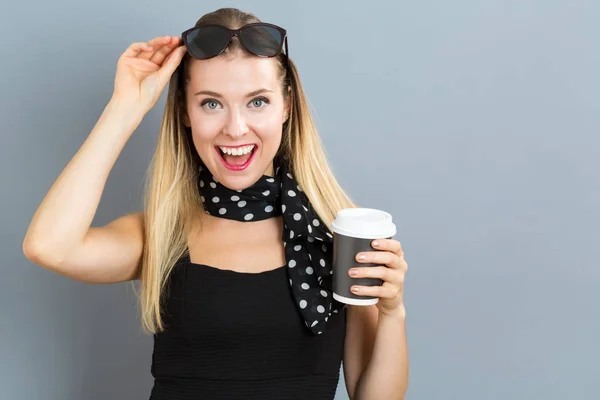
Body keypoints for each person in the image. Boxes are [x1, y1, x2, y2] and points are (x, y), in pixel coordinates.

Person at [23, 7, 409, 400]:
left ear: (287, 107)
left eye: (257, 102)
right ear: (185, 113)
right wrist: (126, 108)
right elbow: (50, 247)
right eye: (211, 103)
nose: (235, 128)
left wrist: (393, 312)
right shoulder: (162, 232)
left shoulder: (336, 235)